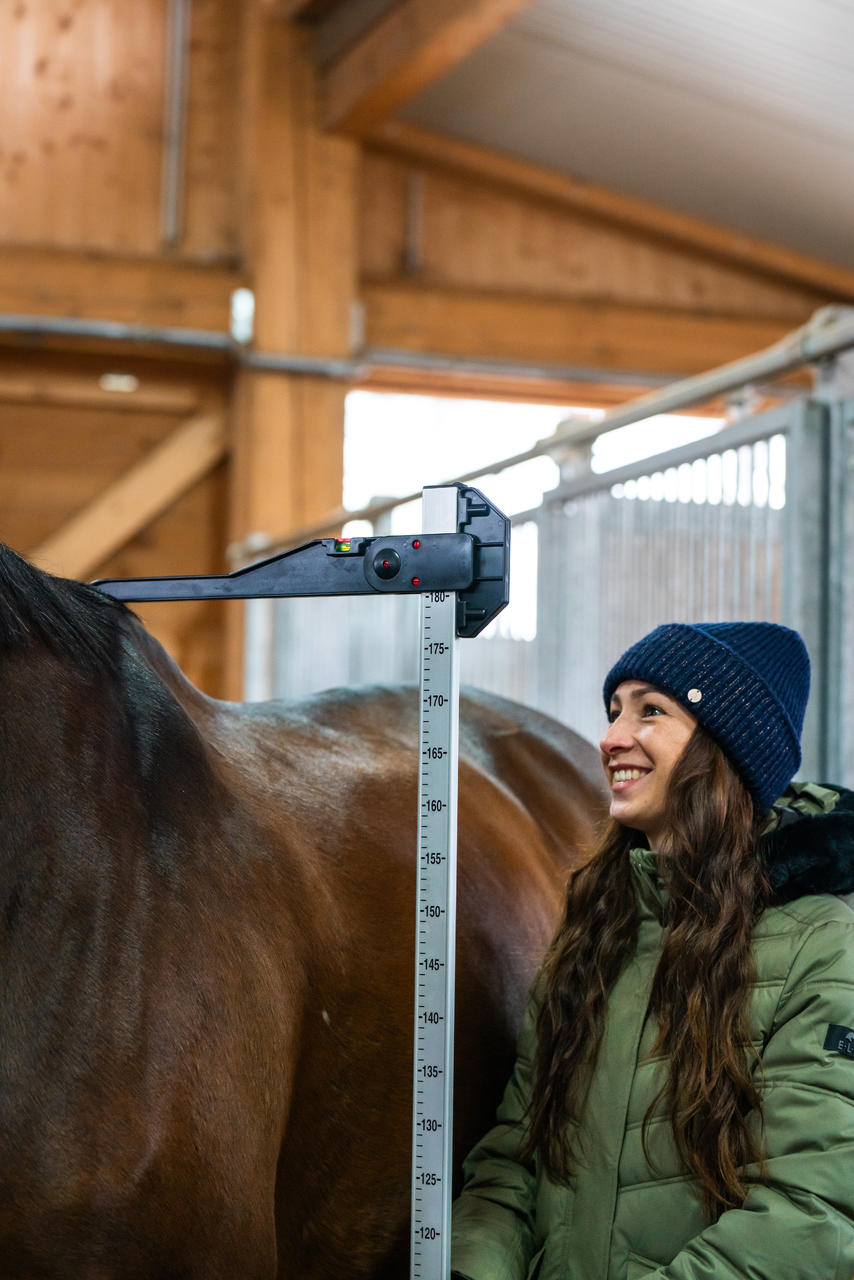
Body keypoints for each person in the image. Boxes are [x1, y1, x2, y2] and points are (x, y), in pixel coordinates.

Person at [450, 621, 854, 1280]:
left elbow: (812, 1214)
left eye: (651, 711)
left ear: (726, 746)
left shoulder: (824, 946)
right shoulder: (597, 930)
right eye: (614, 712)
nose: (610, 738)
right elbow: (513, 1162)